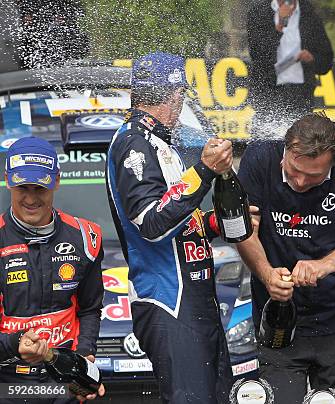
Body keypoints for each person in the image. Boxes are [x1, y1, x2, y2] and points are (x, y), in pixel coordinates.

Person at [236, 113, 335, 403]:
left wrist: (324, 266)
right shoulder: (261, 154)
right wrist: (267, 273)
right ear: (287, 150)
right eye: (294, 170)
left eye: (313, 177)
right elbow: (243, 231)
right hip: (278, 322)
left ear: (333, 163)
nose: (299, 181)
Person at [106, 52, 235, 404]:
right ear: (175, 95)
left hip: (195, 299)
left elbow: (176, 219)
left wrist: (213, 222)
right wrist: (204, 171)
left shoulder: (160, 142)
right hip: (168, 300)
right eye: (181, 95)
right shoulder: (135, 141)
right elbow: (150, 222)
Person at [0, 136, 105, 402]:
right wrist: (15, 344)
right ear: (8, 180)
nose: (31, 198)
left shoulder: (85, 237)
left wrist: (84, 358)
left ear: (56, 180)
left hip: (62, 379)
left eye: (40, 187)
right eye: (23, 187)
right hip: (7, 382)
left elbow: (90, 308)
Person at [246, 0, 333, 133]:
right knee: (265, 145)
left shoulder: (308, 12)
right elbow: (258, 55)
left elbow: (326, 60)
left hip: (300, 94)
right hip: (268, 92)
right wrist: (279, 25)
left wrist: (312, 59)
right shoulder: (258, 11)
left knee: (302, 144)